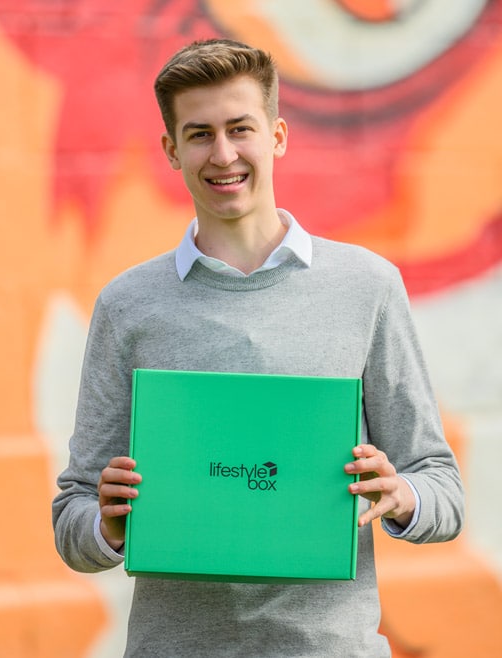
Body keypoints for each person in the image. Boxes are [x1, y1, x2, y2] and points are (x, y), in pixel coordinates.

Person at [52, 38, 464, 657]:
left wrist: (400, 494)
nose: (223, 154)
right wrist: (107, 524)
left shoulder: (366, 286)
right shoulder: (127, 304)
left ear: (277, 136)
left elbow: (442, 488)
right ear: (171, 150)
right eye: (199, 134)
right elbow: (73, 517)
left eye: (240, 129)